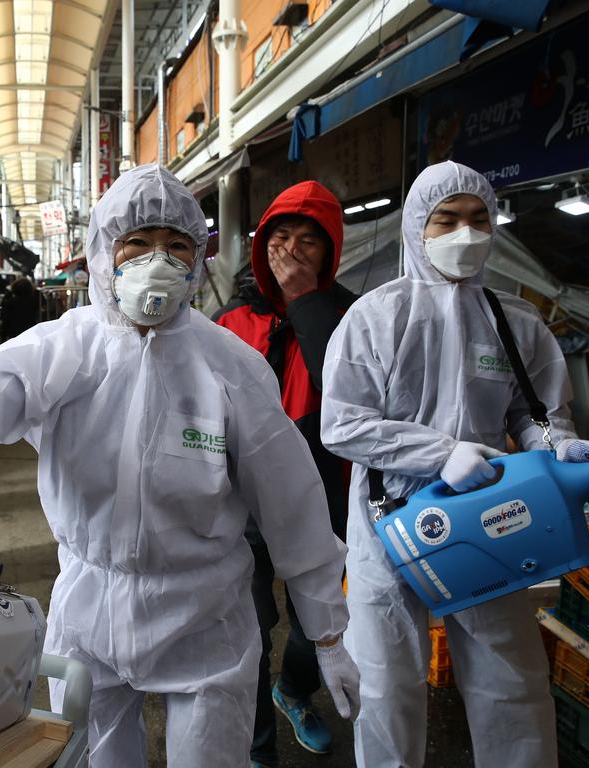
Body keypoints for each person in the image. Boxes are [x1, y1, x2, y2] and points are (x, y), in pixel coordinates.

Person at [0, 164, 360, 768]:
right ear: (104, 253)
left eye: (177, 245)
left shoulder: (230, 366)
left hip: (205, 613)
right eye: (138, 243)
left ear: (199, 258)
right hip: (89, 608)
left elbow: (292, 501)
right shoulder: (64, 349)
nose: (159, 261)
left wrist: (329, 630)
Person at [321, 161, 589, 768]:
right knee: (387, 687)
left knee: (513, 682)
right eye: (446, 220)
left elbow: (532, 414)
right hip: (388, 522)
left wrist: (555, 447)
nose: (466, 234)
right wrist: (439, 453)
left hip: (489, 516)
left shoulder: (514, 320)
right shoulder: (375, 317)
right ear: (417, 228)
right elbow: (341, 424)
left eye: (480, 220)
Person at [213, 181, 356, 767]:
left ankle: (294, 689)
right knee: (246, 630)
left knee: (318, 621)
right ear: (259, 246)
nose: (292, 251)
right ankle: (258, 749)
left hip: (323, 499)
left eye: (308, 242)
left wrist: (304, 301)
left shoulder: (350, 317)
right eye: (280, 237)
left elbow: (345, 392)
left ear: (329, 253)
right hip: (240, 509)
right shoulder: (230, 322)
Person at [0, 276, 39, 341]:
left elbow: (5, 319)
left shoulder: (10, 302)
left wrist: (3, 338)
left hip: (14, 330)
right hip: (29, 330)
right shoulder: (34, 301)